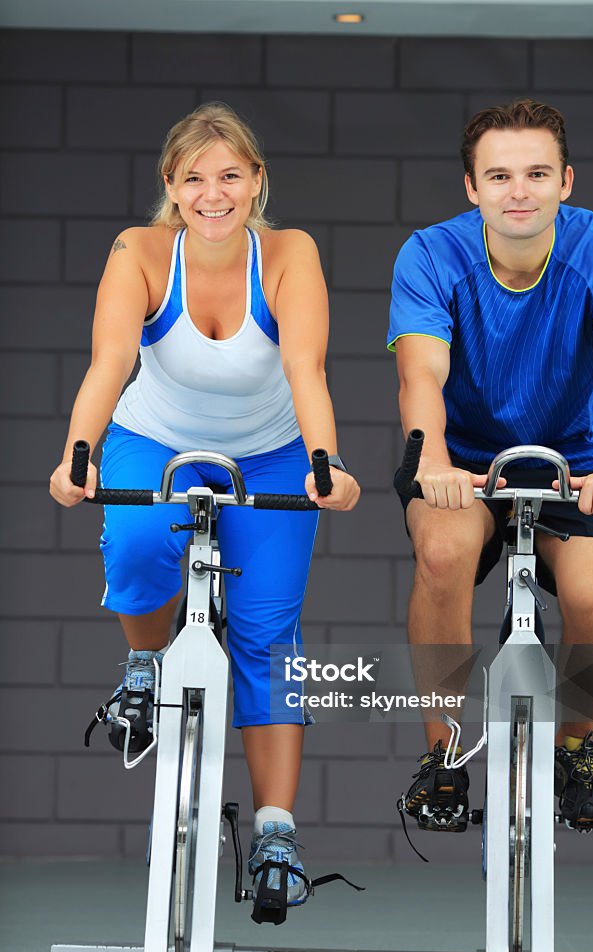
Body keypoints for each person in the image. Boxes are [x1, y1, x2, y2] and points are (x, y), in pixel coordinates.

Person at [49, 101, 360, 908]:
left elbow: (306, 369)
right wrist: (78, 456)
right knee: (141, 544)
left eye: (230, 176)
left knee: (268, 632)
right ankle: (145, 665)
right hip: (154, 438)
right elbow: (109, 360)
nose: (213, 194)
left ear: (257, 181)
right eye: (195, 178)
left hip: (275, 450)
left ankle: (278, 834)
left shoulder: (289, 254)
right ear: (172, 186)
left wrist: (327, 465)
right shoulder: (142, 251)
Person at [388, 99, 593, 837]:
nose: (519, 191)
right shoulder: (431, 254)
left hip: (579, 460)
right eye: (499, 175)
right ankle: (441, 757)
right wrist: (435, 461)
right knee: (441, 553)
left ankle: (576, 751)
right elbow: (422, 377)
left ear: (565, 181)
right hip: (465, 459)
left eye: (537, 173)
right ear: (471, 188)